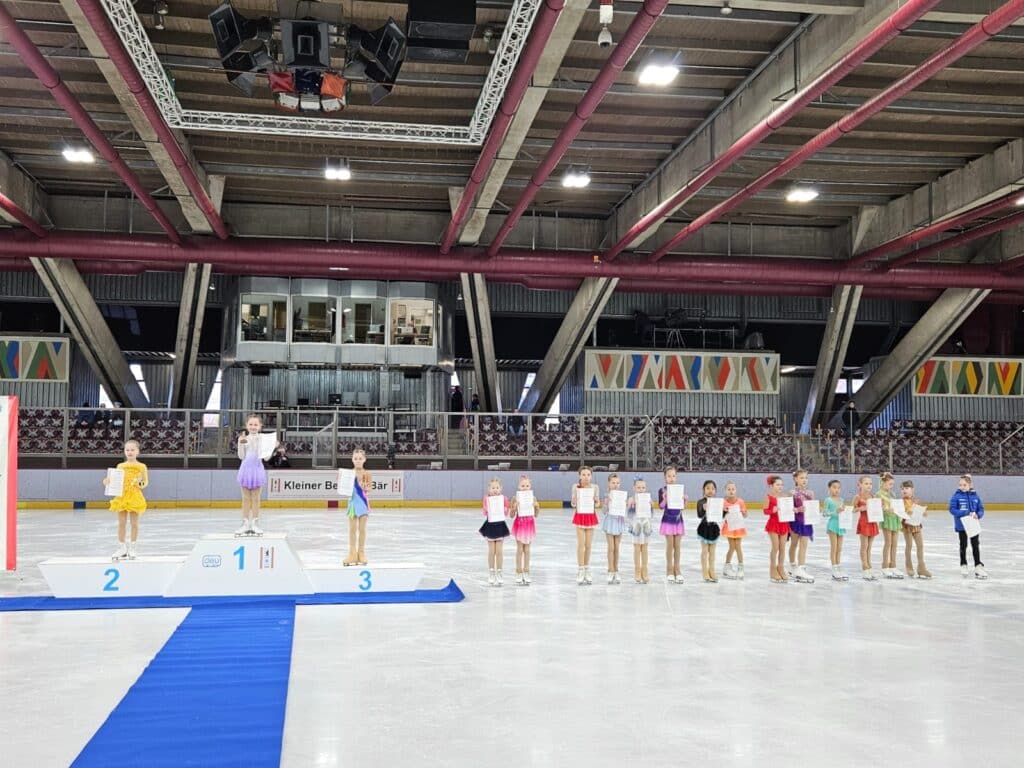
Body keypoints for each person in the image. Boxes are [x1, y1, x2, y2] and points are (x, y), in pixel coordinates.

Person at [103, 439, 148, 560]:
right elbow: (116, 480)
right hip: (122, 496)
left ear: (138, 451)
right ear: (124, 451)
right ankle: (122, 547)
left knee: (134, 523)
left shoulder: (141, 466)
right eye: (127, 450)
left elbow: (145, 482)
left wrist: (139, 483)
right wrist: (108, 482)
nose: (130, 452)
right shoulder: (120, 466)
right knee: (121, 523)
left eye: (132, 450)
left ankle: (133, 547)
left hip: (134, 496)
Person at [236, 414, 269, 536]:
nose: (253, 427)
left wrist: (271, 448)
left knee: (256, 498)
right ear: (246, 426)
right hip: (245, 469)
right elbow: (241, 456)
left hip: (257, 469)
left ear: (260, 426)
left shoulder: (263, 439)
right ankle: (245, 523)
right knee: (245, 498)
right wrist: (240, 443)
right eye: (250, 424)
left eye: (255, 424)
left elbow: (266, 458)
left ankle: (255, 523)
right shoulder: (244, 438)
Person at [950, 474, 987, 579]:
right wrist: (965, 512)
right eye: (960, 485)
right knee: (963, 545)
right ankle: (963, 564)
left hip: (973, 525)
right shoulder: (956, 496)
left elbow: (981, 509)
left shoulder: (975, 496)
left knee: (975, 545)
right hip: (962, 525)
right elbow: (952, 509)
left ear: (970, 485)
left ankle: (978, 565)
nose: (962, 487)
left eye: (964, 485)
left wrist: (978, 515)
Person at [570, 465, 601, 585]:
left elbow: (597, 504)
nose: (586, 477)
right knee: (581, 544)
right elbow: (573, 503)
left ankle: (587, 568)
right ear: (579, 476)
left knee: (588, 544)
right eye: (583, 474)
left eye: (588, 475)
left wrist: (596, 501)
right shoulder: (575, 487)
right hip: (580, 515)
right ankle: (580, 569)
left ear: (591, 476)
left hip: (590, 516)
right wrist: (574, 501)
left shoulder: (595, 487)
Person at [343, 448, 372, 567]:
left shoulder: (367, 474)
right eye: (356, 458)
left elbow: (369, 488)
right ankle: (352, 554)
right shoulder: (348, 474)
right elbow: (344, 490)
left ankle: (361, 553)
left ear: (364, 459)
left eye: (360, 458)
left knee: (362, 529)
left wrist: (365, 487)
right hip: (352, 504)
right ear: (352, 460)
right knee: (352, 530)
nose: (358, 461)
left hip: (363, 504)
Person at [509, 474, 539, 585]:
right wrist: (514, 507)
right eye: (523, 485)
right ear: (518, 486)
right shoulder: (515, 498)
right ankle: (518, 571)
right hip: (520, 524)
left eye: (527, 485)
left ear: (530, 486)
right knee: (520, 549)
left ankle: (526, 571)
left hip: (529, 524)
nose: (525, 487)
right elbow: (511, 515)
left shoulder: (533, 498)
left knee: (527, 550)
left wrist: (537, 506)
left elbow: (536, 514)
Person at [479, 477, 510, 586]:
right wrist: (486, 509)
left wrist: (505, 509)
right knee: (492, 551)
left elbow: (506, 511)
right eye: (493, 488)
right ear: (489, 489)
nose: (495, 489)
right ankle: (491, 572)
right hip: (490, 525)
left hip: (500, 525)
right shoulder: (486, 498)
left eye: (497, 487)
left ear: (501, 488)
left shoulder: (504, 498)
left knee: (499, 551)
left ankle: (500, 572)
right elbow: (484, 511)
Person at [658, 466, 686, 584]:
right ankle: (669, 570)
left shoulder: (680, 490)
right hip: (668, 520)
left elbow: (682, 507)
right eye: (669, 476)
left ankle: (677, 570)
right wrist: (665, 499)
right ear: (665, 477)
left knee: (678, 546)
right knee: (670, 546)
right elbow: (661, 506)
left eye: (673, 476)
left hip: (678, 520)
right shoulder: (662, 490)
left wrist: (684, 500)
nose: (671, 478)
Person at [787, 469, 815, 583]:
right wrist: (798, 509)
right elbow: (788, 509)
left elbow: (812, 507)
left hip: (806, 521)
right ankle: (793, 565)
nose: (804, 480)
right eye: (802, 478)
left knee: (804, 545)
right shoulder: (792, 493)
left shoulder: (811, 493)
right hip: (795, 521)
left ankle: (801, 568)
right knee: (794, 544)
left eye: (806, 478)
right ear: (795, 479)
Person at [900, 480, 931, 579]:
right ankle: (909, 567)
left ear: (912, 489)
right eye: (902, 489)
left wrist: (924, 513)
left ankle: (921, 568)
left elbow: (924, 513)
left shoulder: (917, 501)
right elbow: (900, 513)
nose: (904, 490)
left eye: (907, 488)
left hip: (917, 525)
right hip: (907, 525)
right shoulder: (901, 502)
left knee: (920, 546)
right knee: (909, 545)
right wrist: (906, 513)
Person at [764, 475, 791, 583]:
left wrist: (792, 509)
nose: (780, 486)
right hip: (774, 523)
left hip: (784, 523)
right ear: (771, 485)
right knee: (775, 547)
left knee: (783, 548)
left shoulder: (784, 497)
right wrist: (772, 510)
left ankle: (780, 567)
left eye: (781, 484)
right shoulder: (768, 497)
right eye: (777, 484)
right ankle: (772, 569)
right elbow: (765, 511)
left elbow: (788, 510)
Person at [601, 473, 626, 584]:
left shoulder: (622, 496)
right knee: (611, 547)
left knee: (617, 548)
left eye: (617, 483)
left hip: (619, 522)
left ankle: (616, 570)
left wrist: (626, 505)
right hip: (610, 522)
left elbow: (625, 512)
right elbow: (604, 511)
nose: (616, 485)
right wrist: (606, 504)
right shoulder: (607, 496)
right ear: (609, 483)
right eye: (613, 483)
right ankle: (610, 570)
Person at [627, 476, 653, 584]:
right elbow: (629, 515)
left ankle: (645, 570)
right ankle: (637, 570)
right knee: (637, 548)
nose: (641, 490)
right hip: (636, 524)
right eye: (638, 487)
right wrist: (631, 506)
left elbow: (651, 514)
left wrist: (651, 506)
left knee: (645, 548)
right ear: (634, 488)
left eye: (643, 487)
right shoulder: (631, 499)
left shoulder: (648, 499)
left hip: (645, 524)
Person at [878, 472, 903, 579]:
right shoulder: (878, 494)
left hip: (895, 519)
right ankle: (885, 566)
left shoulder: (892, 494)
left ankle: (893, 565)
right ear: (882, 483)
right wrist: (885, 509)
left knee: (895, 544)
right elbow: (878, 509)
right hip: (887, 519)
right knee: (888, 543)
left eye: (892, 484)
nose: (890, 486)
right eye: (889, 484)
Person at [720, 481, 748, 580]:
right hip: (729, 527)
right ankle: (727, 566)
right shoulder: (723, 502)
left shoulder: (740, 502)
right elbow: (721, 516)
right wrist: (723, 511)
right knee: (732, 547)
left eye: (733, 489)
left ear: (735, 490)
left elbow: (745, 515)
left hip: (738, 526)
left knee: (738, 546)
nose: (731, 491)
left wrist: (744, 512)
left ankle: (741, 567)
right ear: (725, 491)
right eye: (729, 489)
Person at [823, 479, 849, 581]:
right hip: (832, 525)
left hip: (841, 525)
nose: (836, 490)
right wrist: (835, 511)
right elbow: (825, 513)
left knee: (839, 548)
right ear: (829, 488)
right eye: (834, 487)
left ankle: (838, 566)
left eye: (838, 488)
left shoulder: (841, 500)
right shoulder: (828, 500)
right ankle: (834, 568)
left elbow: (843, 512)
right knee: (834, 547)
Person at [854, 475, 879, 581]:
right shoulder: (858, 497)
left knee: (869, 547)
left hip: (872, 522)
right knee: (864, 546)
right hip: (864, 522)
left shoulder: (872, 496)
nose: (869, 486)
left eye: (870, 484)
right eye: (866, 483)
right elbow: (853, 509)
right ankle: (864, 567)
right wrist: (861, 508)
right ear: (860, 484)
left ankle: (869, 566)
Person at [696, 479, 720, 583]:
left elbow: (721, 516)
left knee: (713, 552)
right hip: (704, 528)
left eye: (713, 488)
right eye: (708, 488)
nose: (710, 490)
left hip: (714, 528)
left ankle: (712, 570)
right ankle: (705, 571)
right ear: (703, 490)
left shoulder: (717, 502)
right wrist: (703, 509)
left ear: (715, 491)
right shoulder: (700, 502)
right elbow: (699, 515)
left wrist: (724, 511)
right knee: (705, 551)